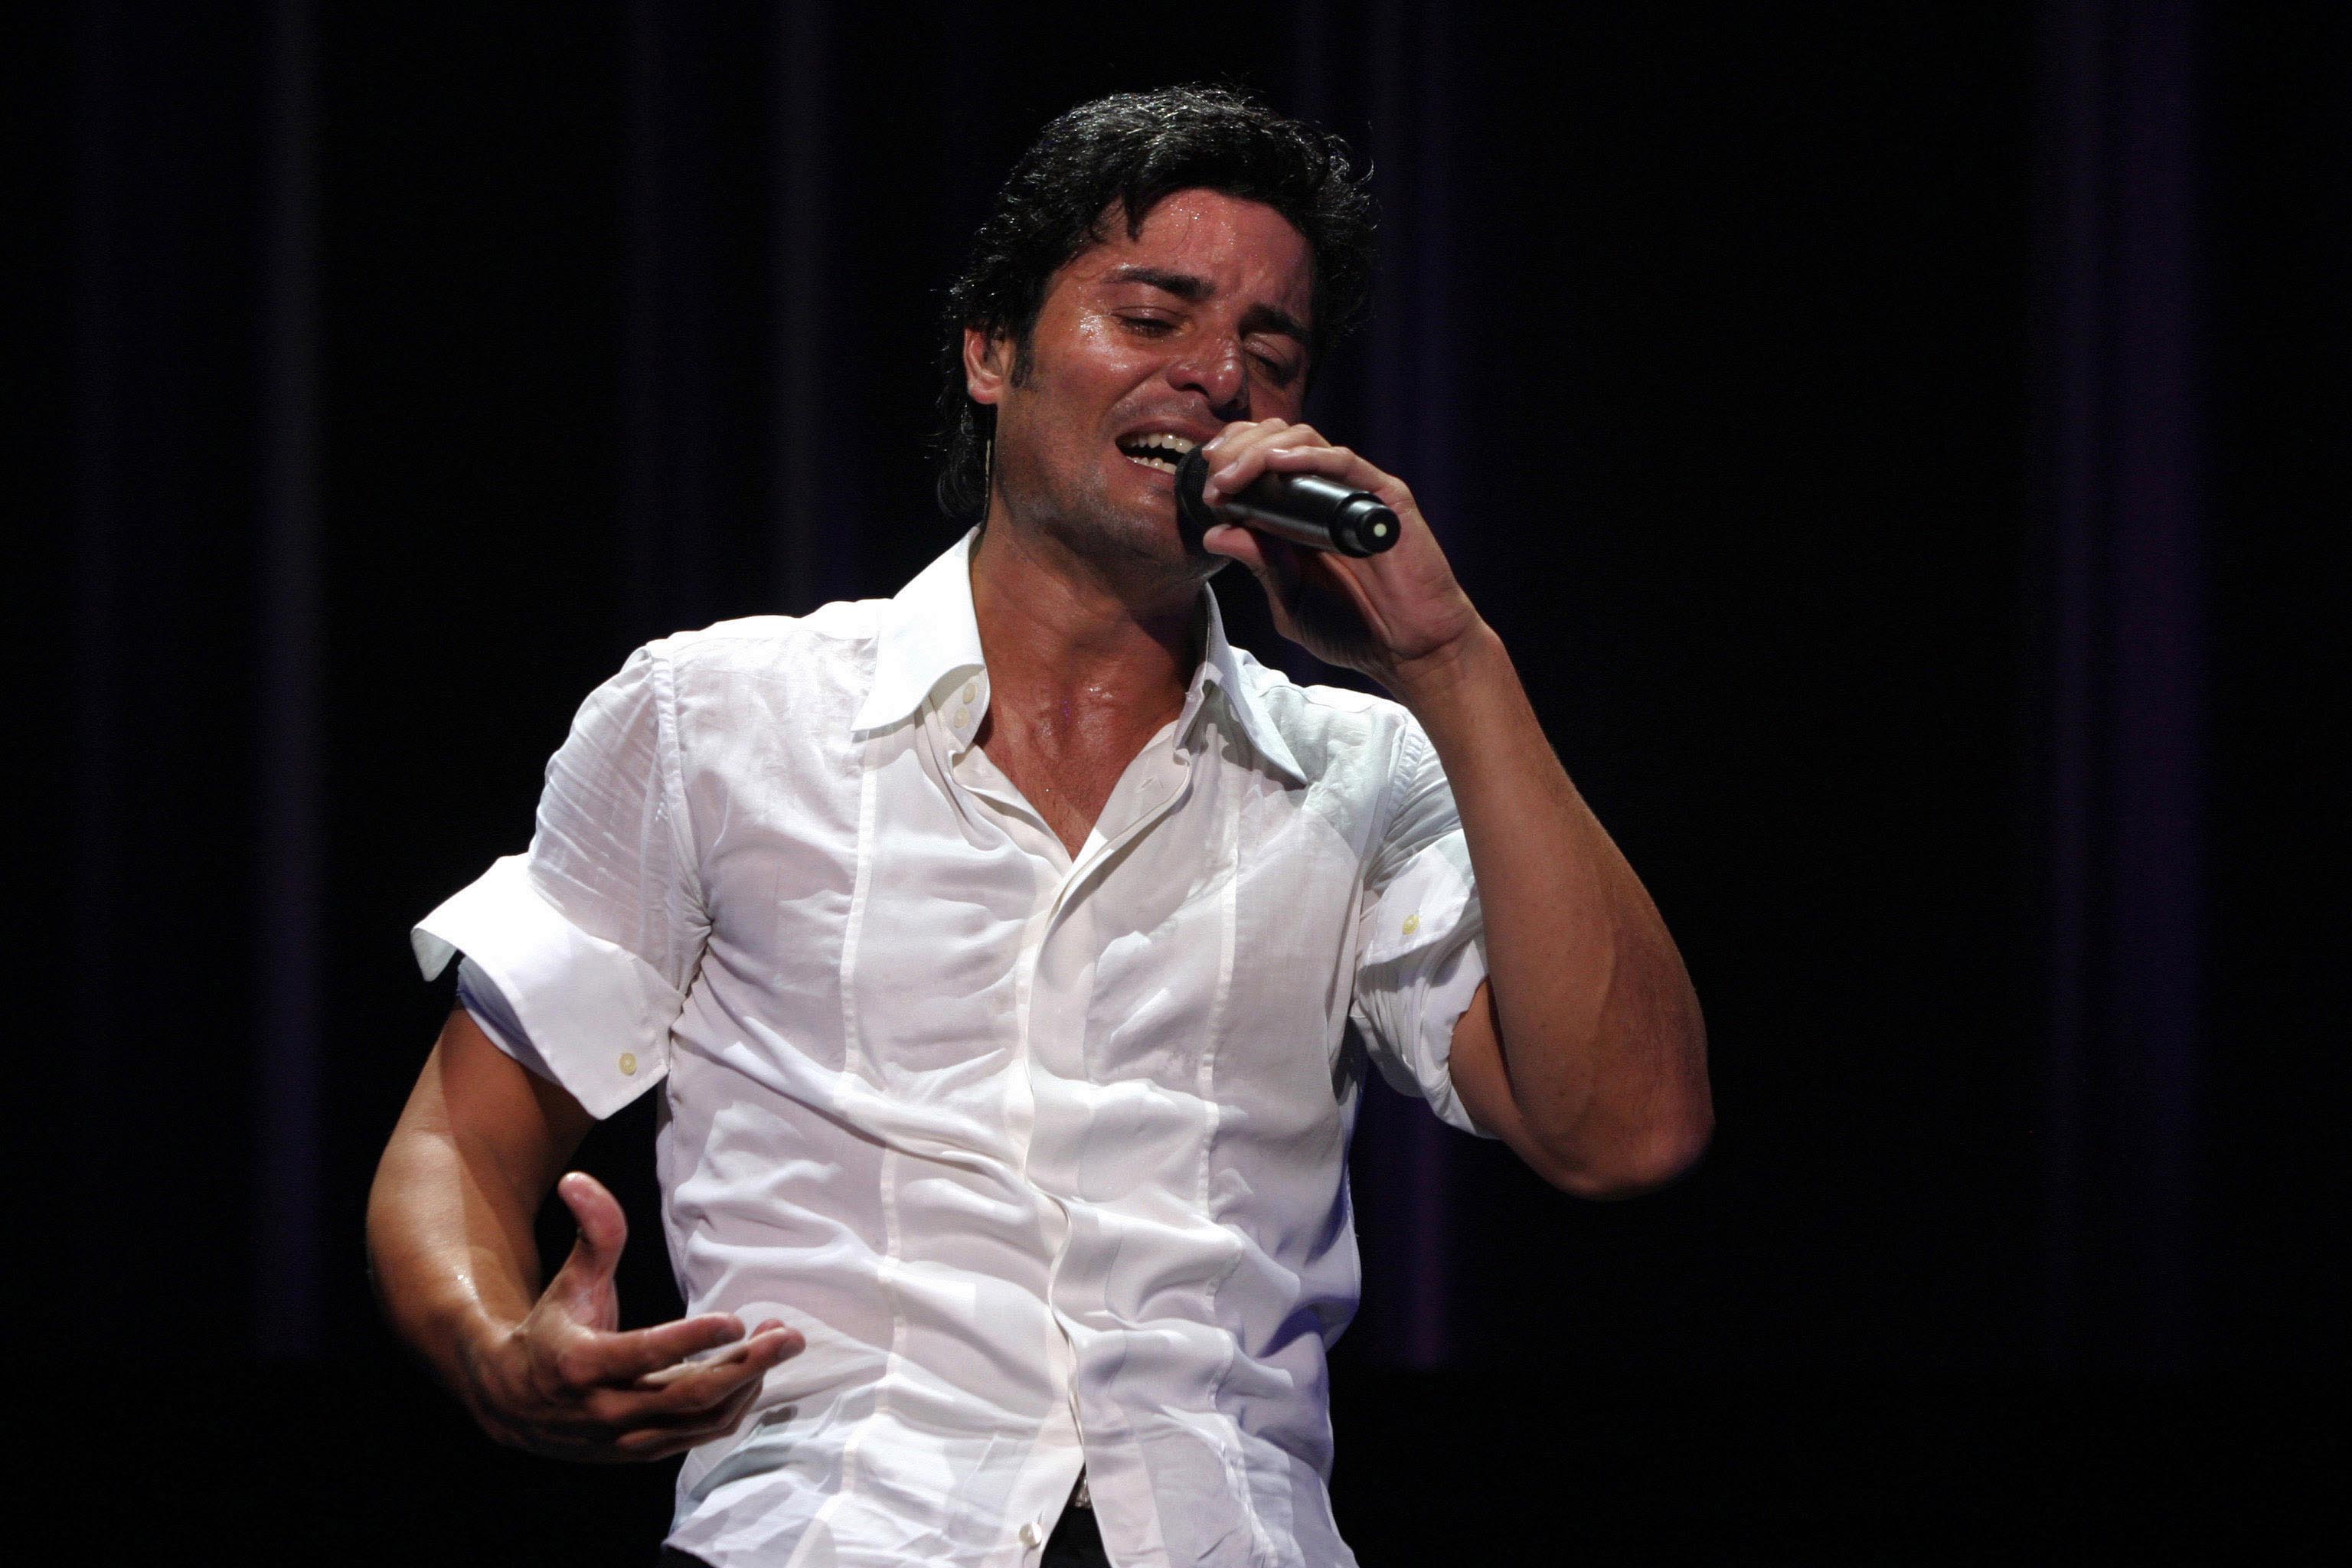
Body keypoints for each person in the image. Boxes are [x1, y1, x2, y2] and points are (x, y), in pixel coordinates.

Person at [368, 85, 1710, 1568]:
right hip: (837, 1525)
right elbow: (458, 1136)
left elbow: (1628, 1132)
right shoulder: (719, 715)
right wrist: (497, 1350)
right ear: (990, 348)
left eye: (1273, 348)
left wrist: (1449, 660)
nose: (1220, 377)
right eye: (1155, 318)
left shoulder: (1361, 767)